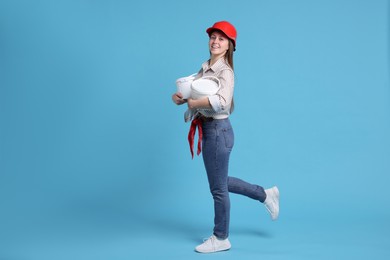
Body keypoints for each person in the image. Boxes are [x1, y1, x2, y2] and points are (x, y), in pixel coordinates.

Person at [171, 21, 280, 254]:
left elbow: (222, 101)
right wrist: (183, 99)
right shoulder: (205, 67)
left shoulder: (225, 71)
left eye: (221, 39)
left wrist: (195, 102)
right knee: (219, 183)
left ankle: (221, 237)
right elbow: (196, 94)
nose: (215, 41)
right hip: (210, 130)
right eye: (213, 37)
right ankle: (265, 194)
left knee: (218, 188)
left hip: (219, 131)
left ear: (230, 45)